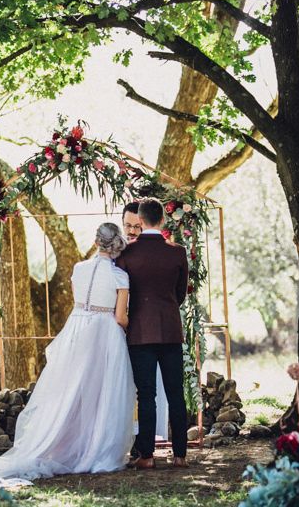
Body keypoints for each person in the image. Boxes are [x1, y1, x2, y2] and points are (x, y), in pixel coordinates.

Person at [0, 223, 135, 483]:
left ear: (96, 242)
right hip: (107, 333)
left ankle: (69, 443)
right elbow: (119, 316)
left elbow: (77, 302)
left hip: (78, 327)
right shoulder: (120, 276)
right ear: (116, 245)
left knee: (72, 389)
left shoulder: (79, 269)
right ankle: (97, 450)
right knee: (104, 392)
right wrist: (132, 325)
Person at [116, 198, 189, 469]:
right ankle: (180, 454)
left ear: (141, 220)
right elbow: (180, 294)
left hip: (140, 333)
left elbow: (123, 293)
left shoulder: (127, 253)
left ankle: (146, 456)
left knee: (146, 395)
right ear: (163, 220)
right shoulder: (177, 252)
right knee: (175, 392)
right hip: (170, 330)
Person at [122, 202, 169, 446]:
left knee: (148, 389)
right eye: (127, 225)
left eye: (136, 226)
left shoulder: (156, 253)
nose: (131, 231)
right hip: (119, 330)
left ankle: (145, 438)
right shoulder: (118, 254)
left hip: (147, 332)